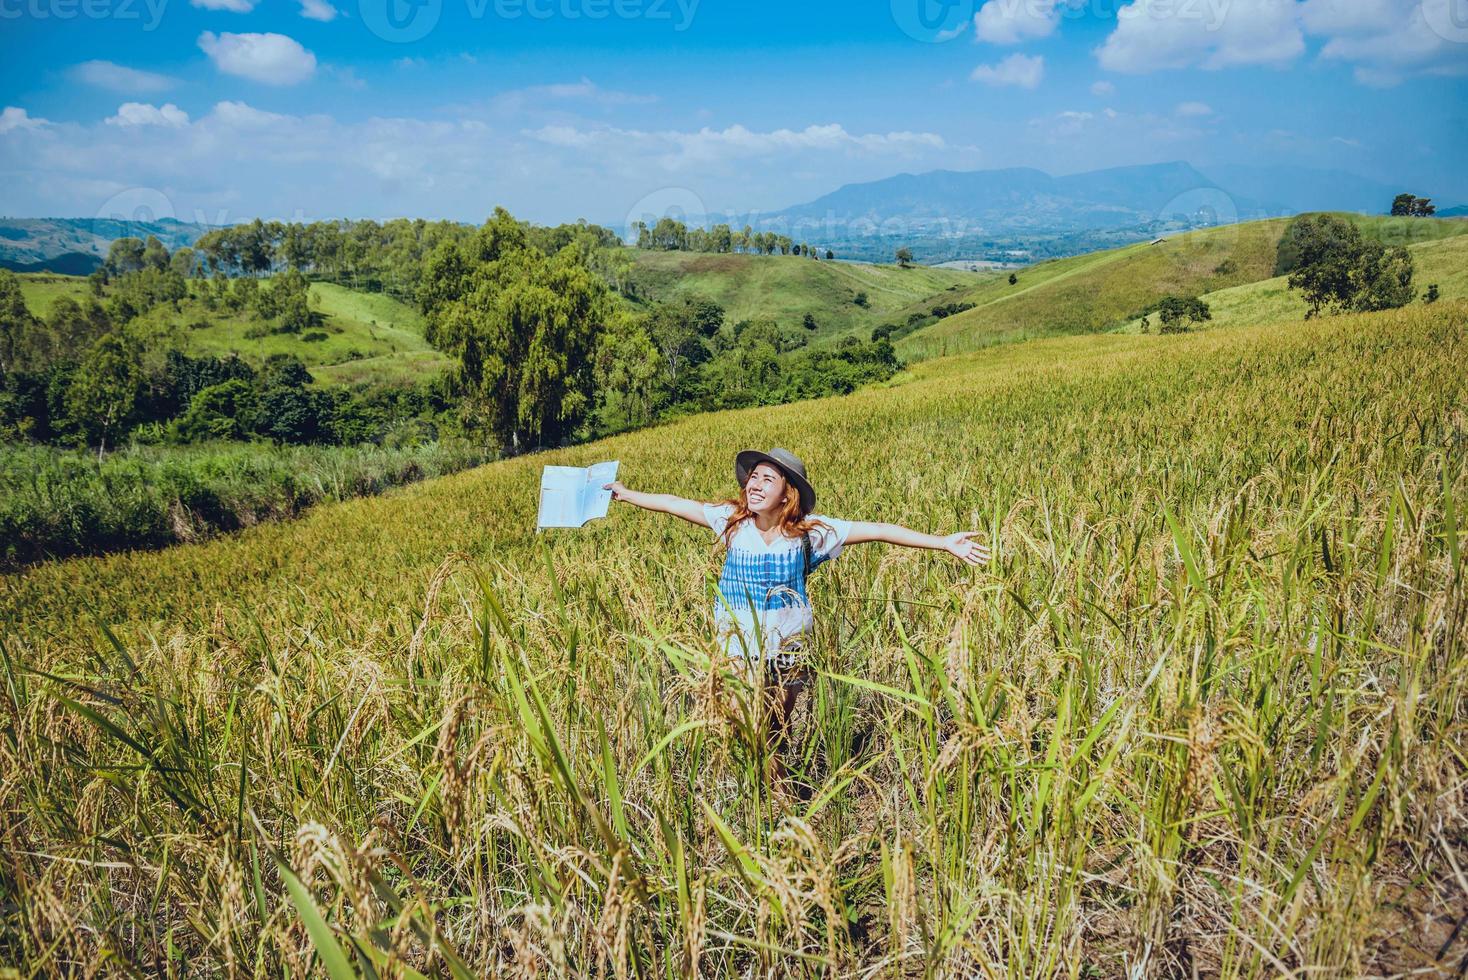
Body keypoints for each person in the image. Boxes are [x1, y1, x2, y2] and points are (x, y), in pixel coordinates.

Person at [603, 447, 989, 786]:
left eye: (766, 479)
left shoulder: (811, 533)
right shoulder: (732, 522)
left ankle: (776, 802)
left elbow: (880, 531)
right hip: (738, 646)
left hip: (788, 650)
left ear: (787, 493)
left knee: (777, 734)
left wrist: (942, 543)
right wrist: (627, 494)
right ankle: (769, 802)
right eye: (753, 477)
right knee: (750, 727)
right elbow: (674, 503)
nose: (754, 484)